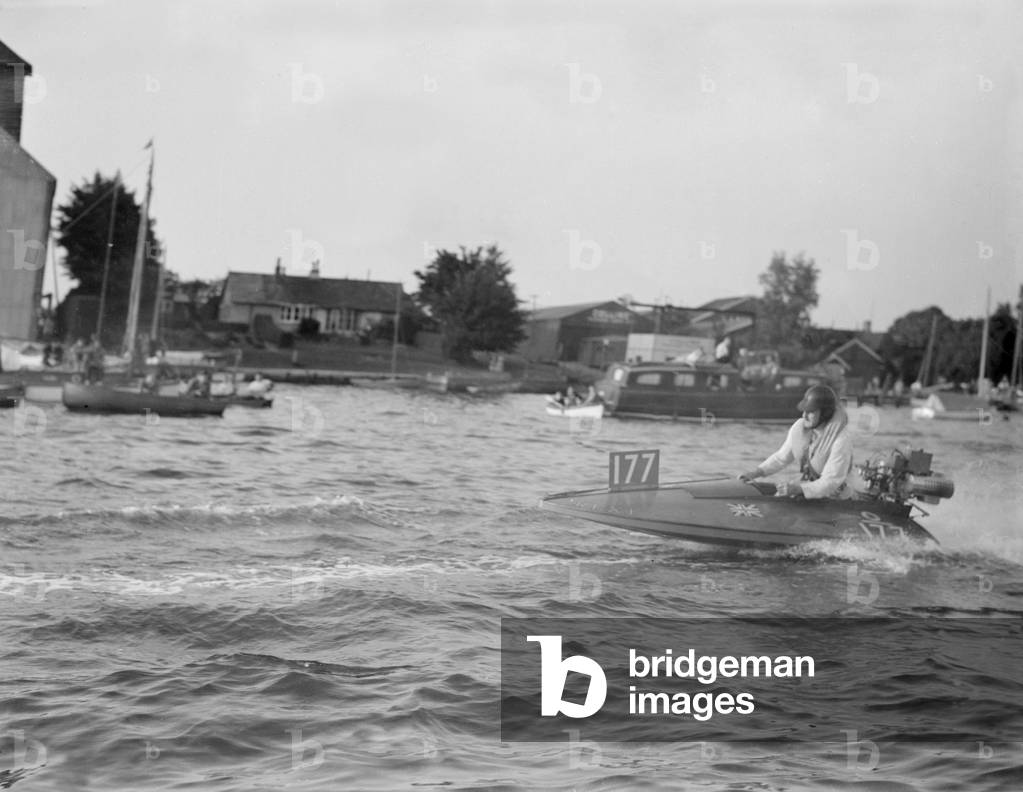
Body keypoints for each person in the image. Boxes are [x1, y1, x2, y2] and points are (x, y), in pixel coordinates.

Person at [737, 384, 854, 499]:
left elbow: (832, 481)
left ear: (825, 413)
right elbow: (780, 458)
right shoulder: (800, 427)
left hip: (837, 498)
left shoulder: (841, 440)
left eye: (811, 412)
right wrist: (754, 473)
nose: (804, 415)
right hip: (809, 489)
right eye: (804, 410)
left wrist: (799, 489)